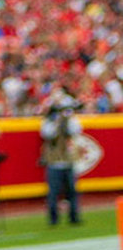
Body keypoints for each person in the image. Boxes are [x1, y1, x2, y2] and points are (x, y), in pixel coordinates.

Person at [40, 90, 82, 226]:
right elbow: (48, 134)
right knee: (53, 192)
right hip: (54, 161)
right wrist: (57, 120)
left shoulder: (71, 120)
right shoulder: (49, 121)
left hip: (68, 160)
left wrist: (67, 118)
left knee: (72, 191)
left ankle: (74, 216)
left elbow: (76, 130)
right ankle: (53, 218)